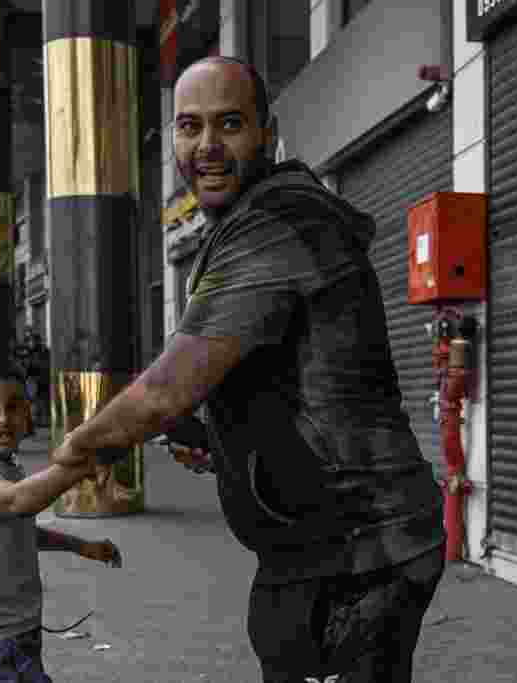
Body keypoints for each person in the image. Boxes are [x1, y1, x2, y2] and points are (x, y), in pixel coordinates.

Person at [50, 56, 445, 683]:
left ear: (268, 131)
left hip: (358, 553)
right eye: (189, 127)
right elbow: (286, 379)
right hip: (324, 549)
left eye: (229, 124)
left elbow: (163, 393)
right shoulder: (251, 221)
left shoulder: (275, 221)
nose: (206, 146)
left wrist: (66, 460)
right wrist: (226, 443)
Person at [0, 350, 123, 683]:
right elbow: (16, 502)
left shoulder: (4, 465)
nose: (2, 418)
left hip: (19, 630)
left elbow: (18, 527)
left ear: (28, 413)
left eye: (13, 407)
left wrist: (80, 546)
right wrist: (84, 464)